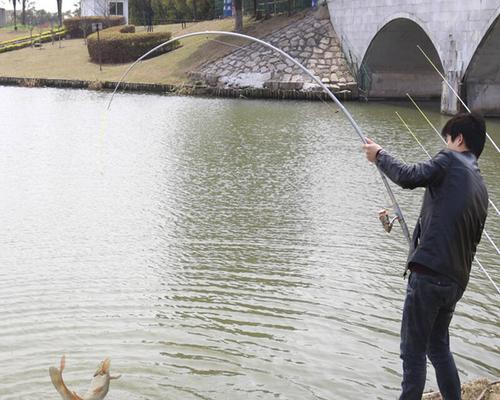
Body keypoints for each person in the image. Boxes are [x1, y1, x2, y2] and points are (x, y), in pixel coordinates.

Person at [363, 112, 489, 399]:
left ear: (459, 139)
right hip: (455, 281)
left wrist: (379, 155)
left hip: (430, 274)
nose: (444, 145)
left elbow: (409, 176)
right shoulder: (481, 186)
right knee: (438, 346)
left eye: (447, 139)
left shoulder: (449, 160)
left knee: (413, 352)